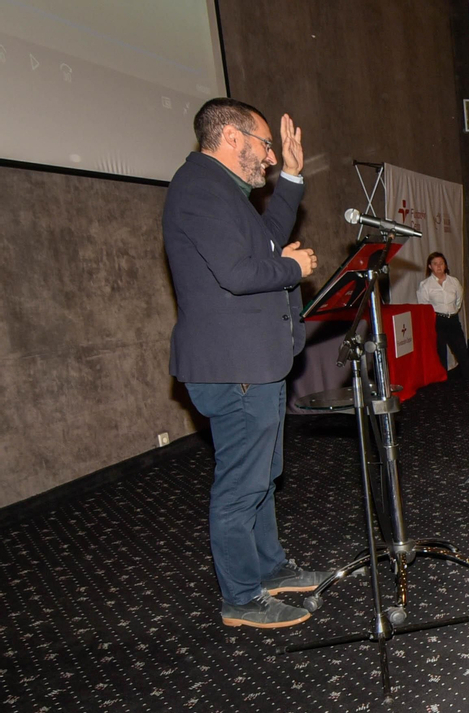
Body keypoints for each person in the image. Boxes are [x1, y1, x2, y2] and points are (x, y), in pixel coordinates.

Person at [164, 97, 327, 628]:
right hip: (231, 367)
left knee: (262, 474)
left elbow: (268, 239)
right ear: (231, 138)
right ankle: (241, 597)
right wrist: (289, 267)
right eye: (263, 145)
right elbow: (239, 271)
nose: (270, 158)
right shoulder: (198, 190)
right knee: (240, 484)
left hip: (255, 361)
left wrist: (296, 180)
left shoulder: (225, 193)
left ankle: (270, 569)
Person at [417, 252, 469, 379]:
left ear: (445, 265)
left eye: (441, 263)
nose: (439, 266)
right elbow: (424, 306)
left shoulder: (454, 282)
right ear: (430, 266)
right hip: (437, 321)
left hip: (452, 319)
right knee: (440, 352)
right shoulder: (425, 285)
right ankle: (442, 380)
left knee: (461, 349)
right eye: (435, 264)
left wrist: (452, 311)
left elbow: (459, 301)